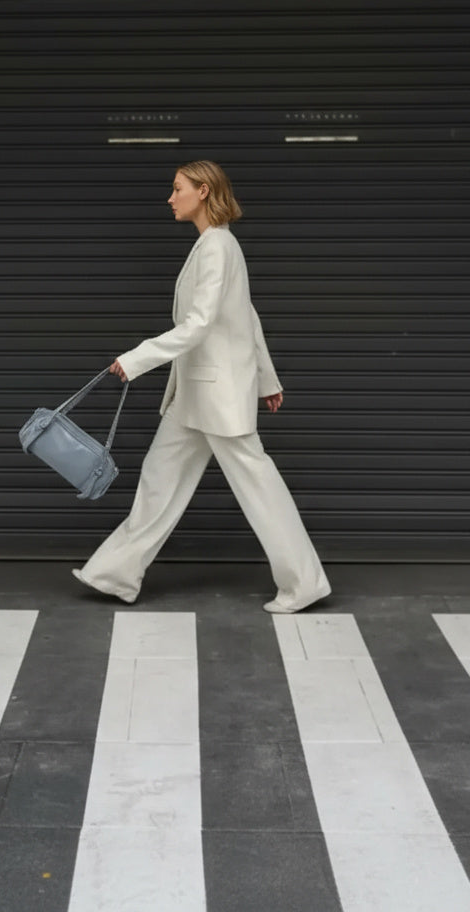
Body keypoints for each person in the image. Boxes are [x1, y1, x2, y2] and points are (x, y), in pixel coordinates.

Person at [73, 160, 331, 613]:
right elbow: (246, 315)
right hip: (196, 394)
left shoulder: (217, 247)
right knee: (158, 482)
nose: (170, 198)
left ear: (204, 191)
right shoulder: (214, 245)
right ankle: (114, 574)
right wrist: (267, 380)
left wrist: (136, 359)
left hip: (217, 394)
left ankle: (303, 582)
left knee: (259, 489)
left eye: (178, 189)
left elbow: (199, 325)